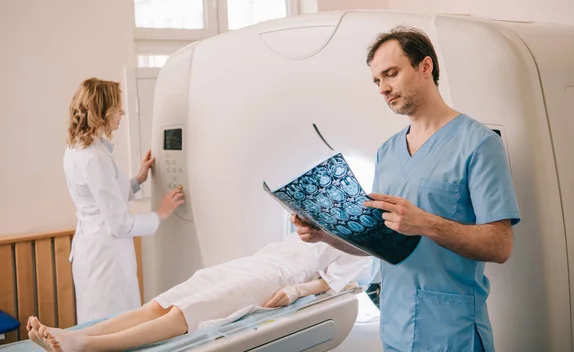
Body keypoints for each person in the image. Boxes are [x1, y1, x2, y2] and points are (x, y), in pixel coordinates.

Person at [292, 26, 521, 352]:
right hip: (395, 327)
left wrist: (425, 222)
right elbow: (380, 244)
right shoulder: (387, 151)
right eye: (377, 81)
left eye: (391, 74)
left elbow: (501, 246)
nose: (383, 88)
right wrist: (323, 234)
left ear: (425, 67)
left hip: (452, 331)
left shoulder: (479, 144)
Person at [26, 232, 375, 352]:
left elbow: (330, 283)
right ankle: (76, 334)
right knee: (162, 303)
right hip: (252, 263)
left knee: (187, 312)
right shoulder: (316, 220)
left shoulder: (360, 244)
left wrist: (294, 292)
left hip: (274, 277)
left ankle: (87, 346)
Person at [63, 78, 185, 324]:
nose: (122, 113)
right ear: (103, 112)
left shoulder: (77, 149)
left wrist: (139, 178)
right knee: (113, 326)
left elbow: (103, 196)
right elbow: (119, 223)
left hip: (92, 249)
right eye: (118, 108)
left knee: (97, 323)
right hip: (106, 258)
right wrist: (161, 213)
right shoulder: (94, 157)